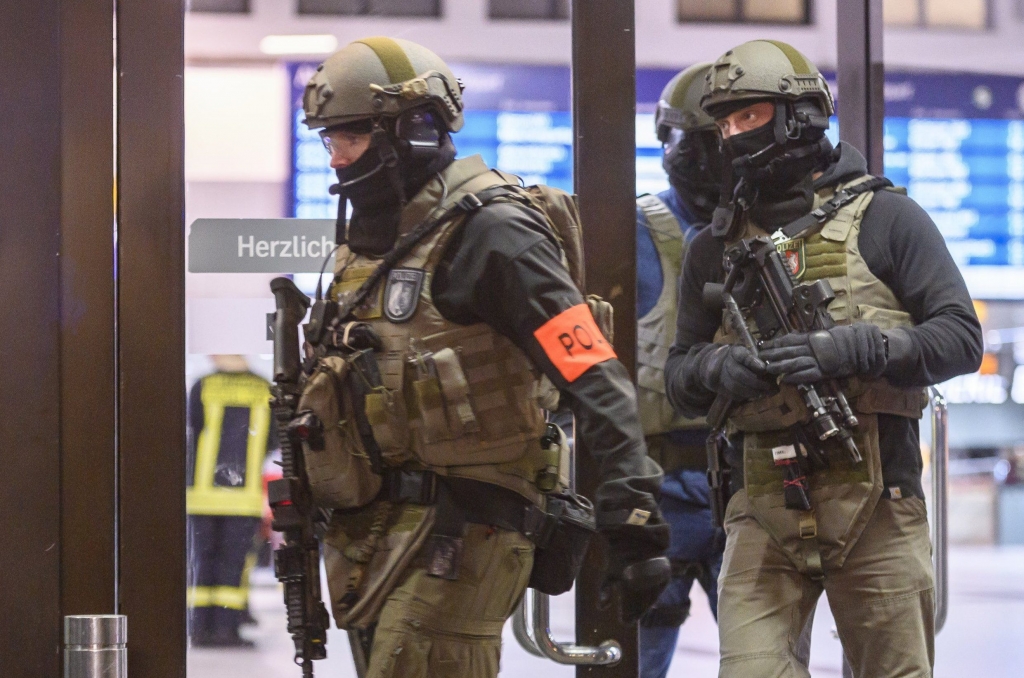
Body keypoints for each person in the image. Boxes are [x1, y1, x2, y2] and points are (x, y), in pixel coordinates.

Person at [299, 37, 669, 678]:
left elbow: (590, 369)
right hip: (373, 530)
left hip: (468, 526)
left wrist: (632, 511)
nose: (337, 157)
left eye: (351, 136)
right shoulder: (373, 240)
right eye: (328, 139)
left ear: (414, 128)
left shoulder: (493, 233)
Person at [663, 40, 984, 678]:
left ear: (800, 114)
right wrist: (719, 371)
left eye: (748, 116)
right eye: (724, 122)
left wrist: (861, 347)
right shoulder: (714, 245)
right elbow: (679, 375)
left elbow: (961, 339)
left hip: (880, 499)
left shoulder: (888, 218)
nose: (733, 135)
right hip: (759, 505)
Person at [635, 62, 725, 678]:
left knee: (766, 659)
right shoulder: (630, 230)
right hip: (653, 487)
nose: (684, 155)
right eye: (676, 139)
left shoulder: (780, 231)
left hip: (751, 486)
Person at [186, 354, 276, 648]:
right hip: (243, 495)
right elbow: (273, 439)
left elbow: (193, 430)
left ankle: (199, 628)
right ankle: (226, 629)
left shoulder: (204, 385)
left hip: (201, 494)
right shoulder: (264, 388)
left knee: (202, 562)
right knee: (233, 564)